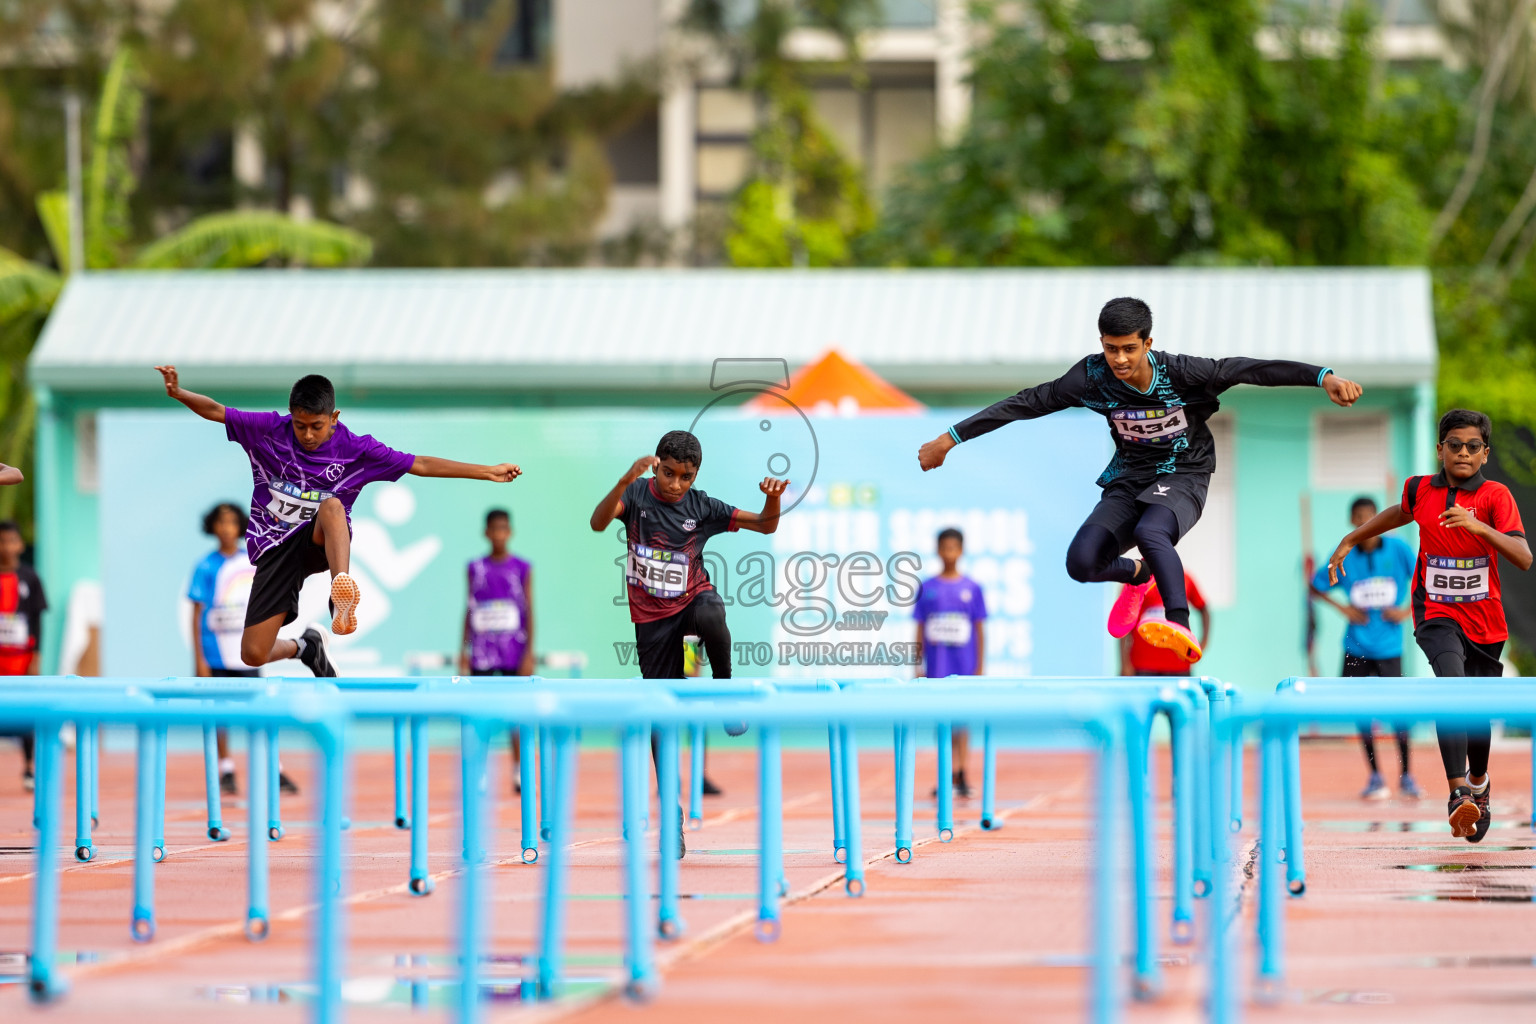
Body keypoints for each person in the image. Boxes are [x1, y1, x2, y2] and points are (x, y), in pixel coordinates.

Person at [919, 297, 1361, 666]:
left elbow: (1250, 369)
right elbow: (1027, 402)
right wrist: (950, 437)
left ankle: (1178, 623)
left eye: (1130, 348)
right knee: (1082, 562)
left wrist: (1322, 377)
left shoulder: (1184, 373)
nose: (1120, 360)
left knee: (1153, 531)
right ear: (1101, 345)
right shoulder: (1090, 377)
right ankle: (1139, 574)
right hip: (1130, 478)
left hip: (1185, 472)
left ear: (1148, 342)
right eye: (1111, 349)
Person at [156, 367, 521, 678]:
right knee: (251, 653)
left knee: (332, 506)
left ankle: (339, 594)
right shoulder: (268, 430)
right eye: (300, 426)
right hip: (274, 551)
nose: (309, 435)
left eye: (317, 426)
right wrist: (177, 393)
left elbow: (420, 465)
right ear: (290, 416)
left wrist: (486, 471)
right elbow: (217, 410)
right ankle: (306, 648)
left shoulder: (357, 449)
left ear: (335, 417)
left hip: (320, 541)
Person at [1327, 410, 1532, 842]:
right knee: (1451, 688)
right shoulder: (1421, 488)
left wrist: (1479, 527)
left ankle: (1478, 783)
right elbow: (1397, 514)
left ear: (1484, 454)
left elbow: (1523, 556)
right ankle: (1458, 792)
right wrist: (1349, 538)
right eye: (1454, 444)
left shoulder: (1495, 496)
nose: (1462, 452)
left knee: (1475, 710)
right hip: (1435, 614)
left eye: (1472, 446)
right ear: (1440, 449)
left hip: (1485, 621)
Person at [589, 430, 789, 856]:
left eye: (686, 476)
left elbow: (766, 525)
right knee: (662, 717)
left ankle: (726, 692)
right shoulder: (638, 496)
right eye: (668, 473)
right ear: (656, 464)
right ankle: (670, 813)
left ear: (696, 474)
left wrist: (772, 500)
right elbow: (598, 521)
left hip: (691, 603)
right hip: (650, 621)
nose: (675, 484)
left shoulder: (702, 507)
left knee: (712, 609)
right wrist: (624, 481)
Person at [1310, 496, 1419, 802]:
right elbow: (1316, 584)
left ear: (1379, 521)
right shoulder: (1345, 555)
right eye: (1358, 518)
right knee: (1361, 712)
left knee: (1398, 712)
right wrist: (1342, 609)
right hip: (1356, 647)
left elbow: (1422, 578)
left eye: (1370, 518)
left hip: (1389, 646)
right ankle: (1375, 776)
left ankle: (1407, 776)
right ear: (1352, 522)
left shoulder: (1398, 550)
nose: (1364, 524)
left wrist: (1407, 610)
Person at [188, 502, 299, 796]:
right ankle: (225, 767)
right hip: (216, 652)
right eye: (221, 523)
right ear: (212, 527)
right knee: (218, 714)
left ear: (241, 526)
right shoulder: (205, 566)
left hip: (246, 650)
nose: (226, 528)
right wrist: (199, 658)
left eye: (232, 522)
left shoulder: (251, 562)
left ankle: (273, 768)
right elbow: (196, 613)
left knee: (259, 710)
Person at [459, 508, 533, 793]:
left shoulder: (522, 567)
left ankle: (519, 770)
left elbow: (529, 610)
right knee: (481, 712)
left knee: (517, 713)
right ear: (486, 533)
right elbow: (468, 610)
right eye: (494, 529)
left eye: (504, 528)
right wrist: (464, 651)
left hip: (514, 651)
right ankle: (480, 772)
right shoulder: (475, 567)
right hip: (482, 651)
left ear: (510, 532)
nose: (500, 534)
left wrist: (528, 653)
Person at [913, 527, 988, 797]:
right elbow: (919, 627)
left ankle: (962, 772)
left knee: (963, 720)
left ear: (961, 550)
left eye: (953, 548)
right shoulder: (927, 588)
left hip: (964, 664)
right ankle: (945, 773)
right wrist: (917, 663)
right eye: (944, 548)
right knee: (942, 720)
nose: (949, 553)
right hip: (938, 666)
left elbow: (979, 629)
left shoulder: (972, 588)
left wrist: (979, 666)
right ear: (938, 550)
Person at [0, 520, 45, 790]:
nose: (5, 547)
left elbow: (37, 619)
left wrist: (36, 656)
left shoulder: (29, 578)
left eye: (10, 541)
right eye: (1, 541)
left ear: (20, 544)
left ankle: (29, 767)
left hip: (20, 658)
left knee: (25, 712)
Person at [1119, 570, 1211, 678]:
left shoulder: (1185, 579)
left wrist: (1204, 642)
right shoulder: (1136, 580)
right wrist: (1125, 664)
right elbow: (1123, 622)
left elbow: (1203, 609)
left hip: (1179, 665)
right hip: (1142, 665)